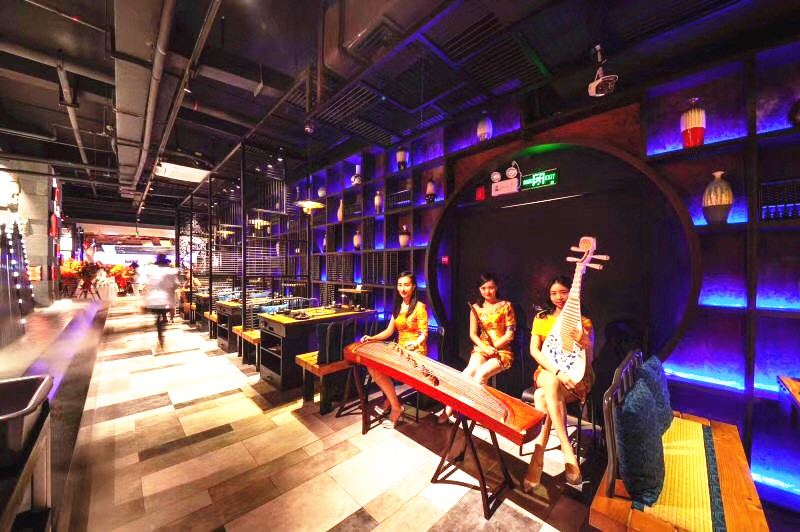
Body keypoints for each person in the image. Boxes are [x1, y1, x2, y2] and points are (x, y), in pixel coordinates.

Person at [523, 275, 594, 491]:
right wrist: (557, 371)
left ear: (572, 294)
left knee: (541, 396)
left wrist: (585, 342)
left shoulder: (583, 322)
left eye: (563, 292)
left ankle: (537, 459)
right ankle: (567, 449)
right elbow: (534, 350)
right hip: (547, 372)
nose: (558, 297)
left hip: (575, 379)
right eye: (554, 293)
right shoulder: (542, 318)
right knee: (552, 381)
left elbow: (588, 362)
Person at [437, 273, 516, 423]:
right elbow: (473, 334)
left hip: (502, 351)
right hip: (482, 348)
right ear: (479, 289)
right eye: (483, 288)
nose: (487, 291)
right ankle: (448, 410)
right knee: (466, 374)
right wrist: (485, 348)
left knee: (480, 374)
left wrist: (493, 347)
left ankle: (477, 411)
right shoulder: (475, 308)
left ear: (497, 287)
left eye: (491, 288)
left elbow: (509, 335)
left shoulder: (506, 305)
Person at [359, 271, 429, 428]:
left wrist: (416, 343)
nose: (402, 288)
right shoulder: (398, 307)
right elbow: (389, 331)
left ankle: (393, 405)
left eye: (406, 285)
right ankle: (393, 403)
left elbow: (424, 333)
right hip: (400, 348)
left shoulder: (420, 307)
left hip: (415, 352)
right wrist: (372, 337)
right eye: (400, 285)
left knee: (379, 368)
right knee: (372, 365)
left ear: (413, 287)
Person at [139, 254, 179, 348]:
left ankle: (160, 331)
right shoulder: (170, 271)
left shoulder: (150, 271)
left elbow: (146, 285)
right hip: (165, 298)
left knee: (157, 317)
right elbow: (175, 285)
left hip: (152, 299)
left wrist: (143, 300)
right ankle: (162, 332)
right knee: (163, 314)